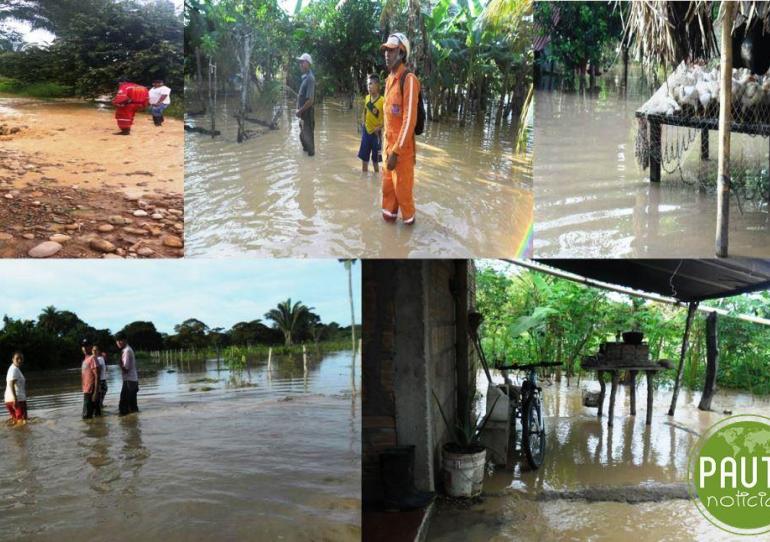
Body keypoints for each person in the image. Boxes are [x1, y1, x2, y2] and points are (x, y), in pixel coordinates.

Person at [380, 33, 421, 226]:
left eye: (392, 50)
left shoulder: (409, 79)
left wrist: (396, 152)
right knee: (387, 194)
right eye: (386, 50)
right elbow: (388, 120)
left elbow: (409, 121)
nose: (387, 54)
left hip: (401, 154)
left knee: (404, 198)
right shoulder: (388, 80)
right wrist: (386, 151)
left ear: (402, 53)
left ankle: (408, 242)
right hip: (387, 151)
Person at [358, 74, 384, 173]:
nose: (368, 87)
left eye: (370, 84)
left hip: (376, 135)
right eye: (368, 85)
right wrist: (363, 122)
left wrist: (380, 127)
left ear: (377, 85)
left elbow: (387, 119)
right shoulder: (367, 98)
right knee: (364, 159)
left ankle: (376, 180)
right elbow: (365, 111)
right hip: (366, 132)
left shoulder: (382, 101)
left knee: (375, 161)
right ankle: (363, 181)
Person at [295, 53, 316, 156]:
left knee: (309, 141)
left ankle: (311, 164)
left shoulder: (310, 79)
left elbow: (310, 101)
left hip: (307, 113)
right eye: (299, 62)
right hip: (303, 113)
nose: (300, 65)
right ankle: (306, 164)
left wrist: (299, 111)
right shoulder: (305, 78)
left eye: (302, 62)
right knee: (303, 136)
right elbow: (302, 96)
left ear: (307, 63)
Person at [116, 333, 139, 416]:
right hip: (132, 380)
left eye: (120, 340)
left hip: (129, 381)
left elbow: (126, 369)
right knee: (132, 406)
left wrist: (119, 364)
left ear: (125, 340)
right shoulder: (128, 349)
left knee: (124, 407)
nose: (118, 342)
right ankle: (134, 423)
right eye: (117, 341)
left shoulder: (126, 351)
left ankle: (129, 425)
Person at [4, 352, 27, 425]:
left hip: (9, 400)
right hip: (17, 400)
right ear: (13, 359)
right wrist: (15, 399)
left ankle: (14, 435)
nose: (19, 360)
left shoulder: (13, 369)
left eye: (21, 358)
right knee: (22, 422)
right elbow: (11, 383)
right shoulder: (14, 369)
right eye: (17, 358)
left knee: (16, 421)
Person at [81, 343, 101, 419]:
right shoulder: (85, 360)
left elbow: (97, 376)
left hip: (91, 391)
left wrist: (95, 393)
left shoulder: (92, 358)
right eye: (83, 346)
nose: (85, 348)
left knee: (86, 417)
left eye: (87, 346)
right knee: (97, 416)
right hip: (87, 390)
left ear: (90, 347)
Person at [93, 345, 107, 409]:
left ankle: (100, 406)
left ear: (98, 351)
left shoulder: (99, 359)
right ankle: (100, 406)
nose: (95, 351)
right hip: (101, 380)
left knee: (100, 395)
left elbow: (100, 370)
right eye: (93, 350)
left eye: (96, 350)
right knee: (100, 395)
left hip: (101, 380)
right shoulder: (99, 358)